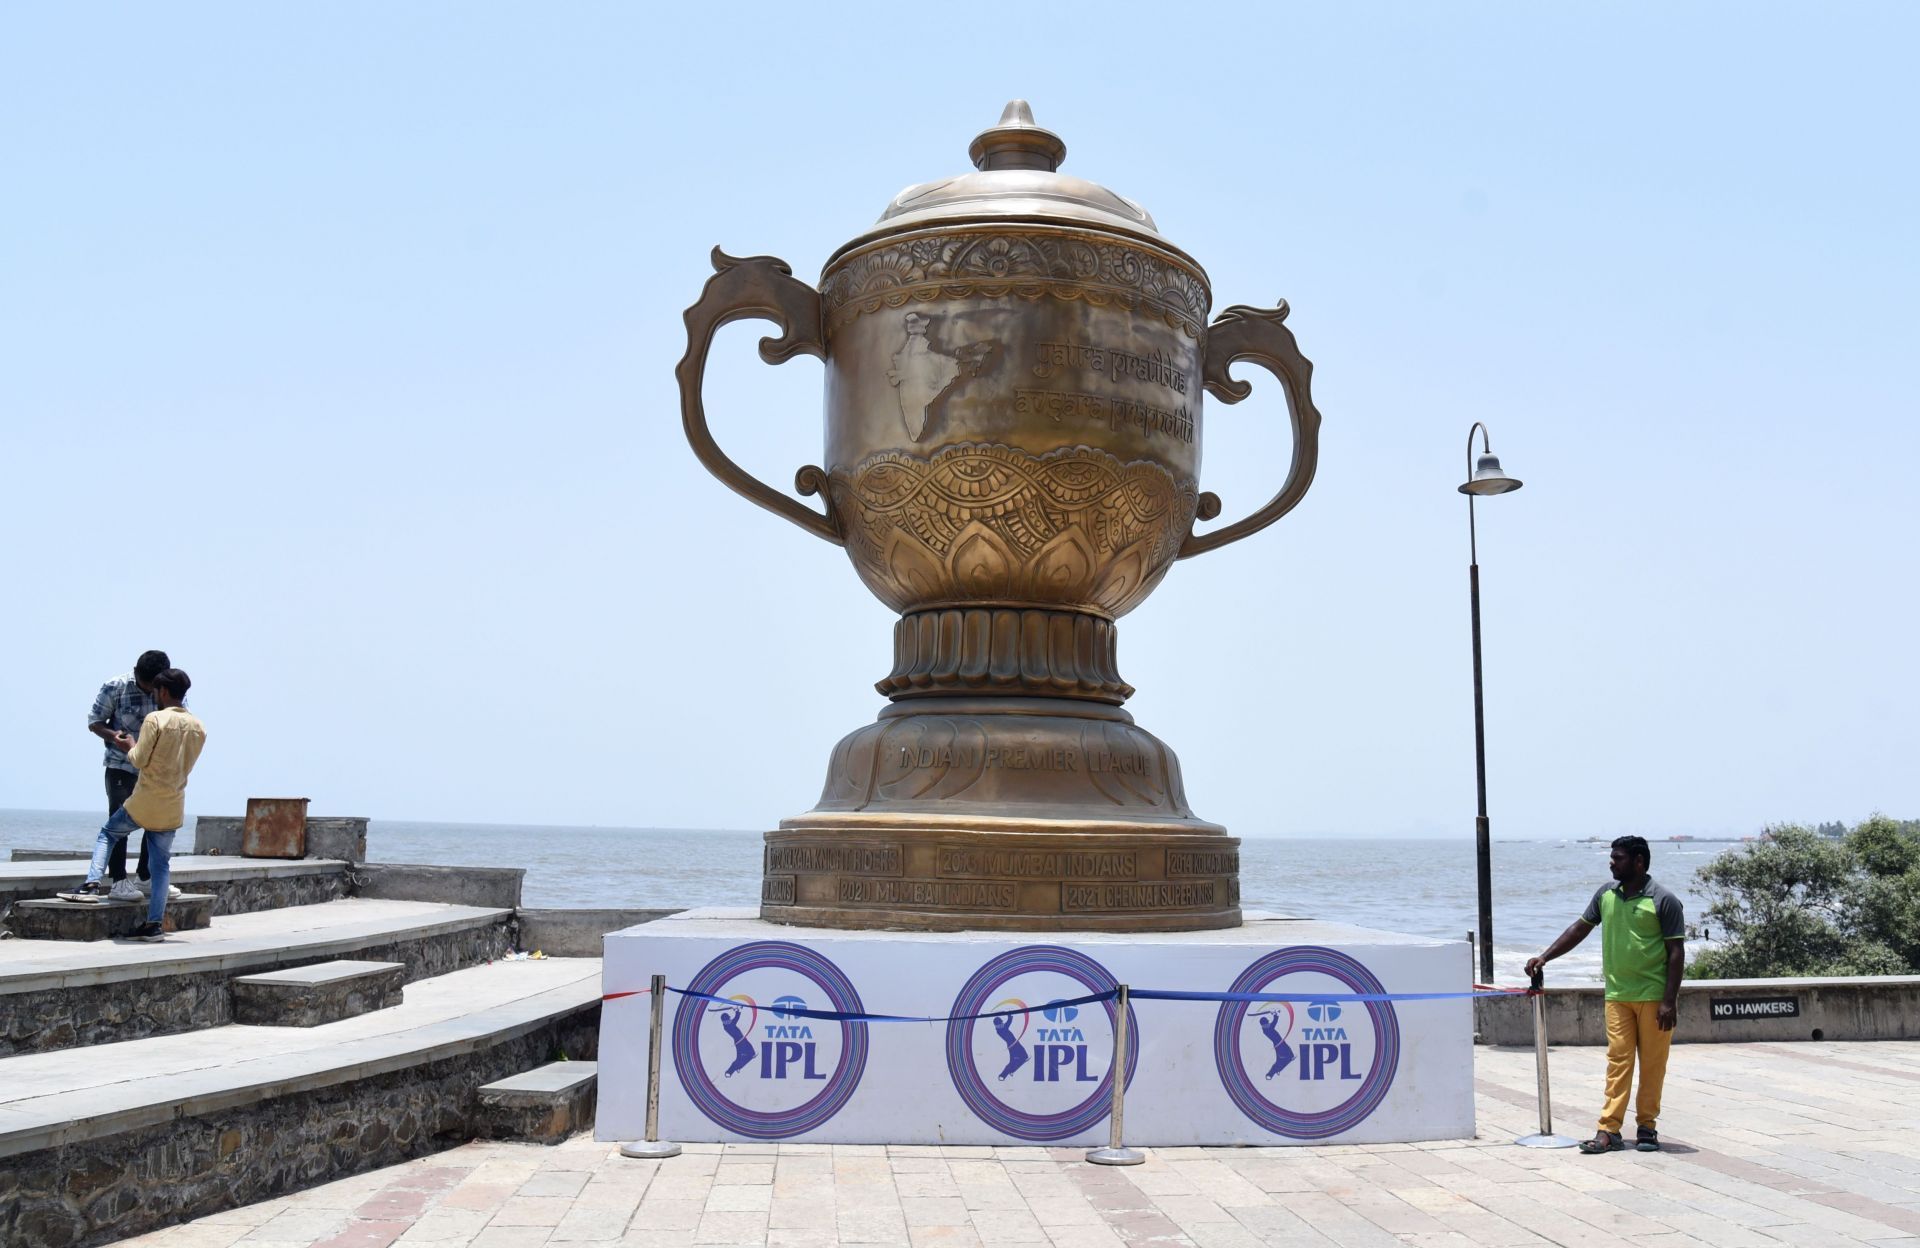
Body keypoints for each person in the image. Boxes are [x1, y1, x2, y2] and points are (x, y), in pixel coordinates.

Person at [1526, 835, 1685, 1154]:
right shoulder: (1605, 895)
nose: (1611, 862)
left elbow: (1676, 952)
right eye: (1612, 857)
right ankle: (1609, 1129)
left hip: (1654, 997)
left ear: (1639, 862)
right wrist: (1545, 957)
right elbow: (1580, 928)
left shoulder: (1664, 900)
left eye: (1618, 858)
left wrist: (1669, 1000)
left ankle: (1646, 1127)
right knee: (1618, 1062)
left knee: (1653, 1064)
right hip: (1617, 995)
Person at [69, 669, 206, 941]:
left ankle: (91, 884)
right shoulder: (199, 727)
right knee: (161, 868)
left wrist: (130, 743)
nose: (153, 696)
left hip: (145, 799)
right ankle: (154, 925)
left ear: (163, 692)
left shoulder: (155, 719)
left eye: (156, 692)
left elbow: (139, 760)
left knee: (109, 833)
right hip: (173, 803)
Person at [81, 649, 170, 899]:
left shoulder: (169, 691)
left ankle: (144, 876)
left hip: (153, 770)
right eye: (146, 685)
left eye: (155, 686)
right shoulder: (115, 686)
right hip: (120, 765)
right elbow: (94, 722)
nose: (150, 690)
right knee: (119, 820)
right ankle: (119, 880)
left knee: (153, 820)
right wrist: (113, 736)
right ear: (136, 673)